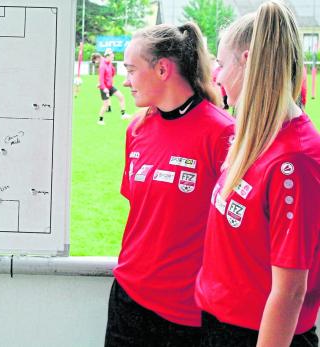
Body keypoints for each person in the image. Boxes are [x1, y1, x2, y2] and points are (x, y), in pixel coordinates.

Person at [195, 3, 320, 346]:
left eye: (221, 64)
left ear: (247, 61)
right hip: (218, 328)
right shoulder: (252, 137)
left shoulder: (295, 159)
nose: (216, 76)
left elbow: (290, 292)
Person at [104, 22, 234, 346]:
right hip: (127, 302)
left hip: (188, 315)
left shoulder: (223, 135)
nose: (126, 80)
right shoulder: (136, 130)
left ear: (162, 69)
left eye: (132, 70)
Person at [97, 49, 129, 125]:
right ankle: (100, 120)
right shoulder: (102, 66)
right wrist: (104, 88)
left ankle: (123, 114)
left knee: (121, 97)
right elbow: (101, 78)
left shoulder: (109, 63)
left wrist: (112, 71)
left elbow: (112, 73)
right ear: (107, 56)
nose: (113, 58)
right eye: (112, 57)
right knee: (106, 104)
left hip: (110, 86)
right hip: (104, 88)